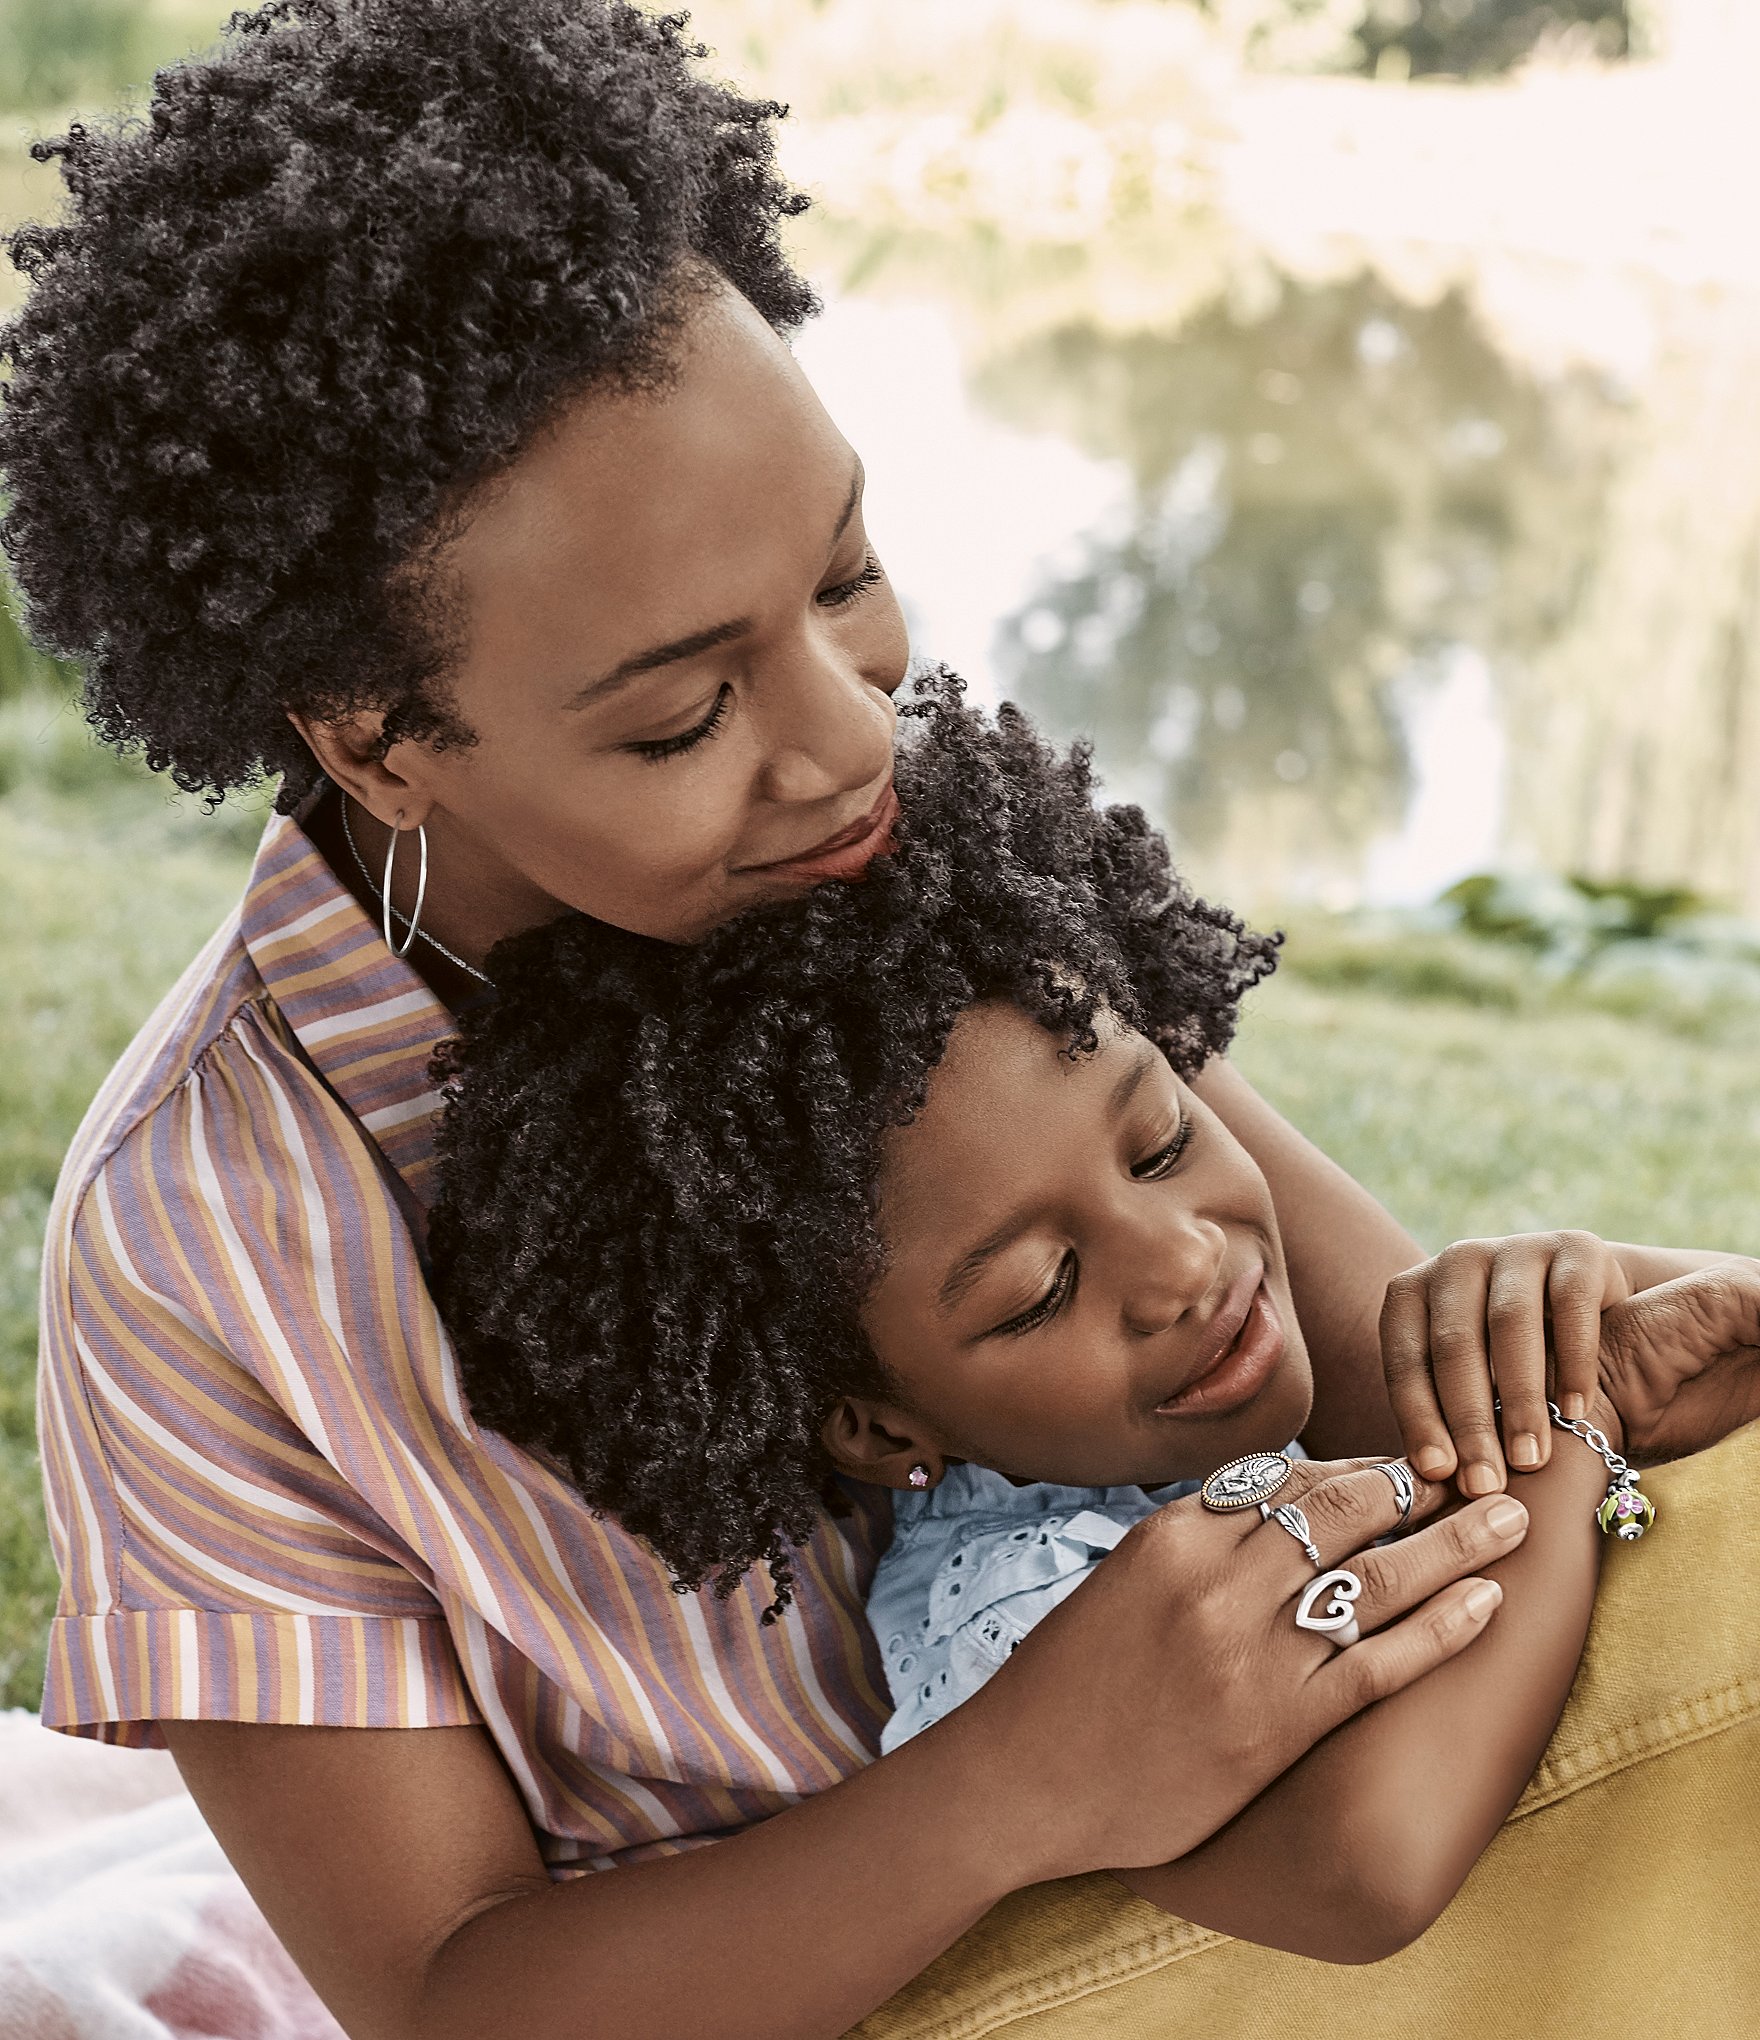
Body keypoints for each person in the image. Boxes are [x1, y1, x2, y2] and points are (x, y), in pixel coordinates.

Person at [3, 3, 1752, 2035]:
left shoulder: (907, 858)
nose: (849, 744)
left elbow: (1352, 1363)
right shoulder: (202, 1247)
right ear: (379, 736)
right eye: (684, 713)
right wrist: (1011, 1791)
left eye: (843, 574)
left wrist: (1560, 1337)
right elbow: (448, 2003)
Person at [426, 676, 1760, 1966]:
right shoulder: (1014, 1604)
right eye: (1041, 1292)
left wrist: (1589, 1310)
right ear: (885, 1428)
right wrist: (1568, 1423)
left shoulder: (1207, 1448)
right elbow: (1368, 1863)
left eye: (1166, 1141)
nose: (1183, 1261)